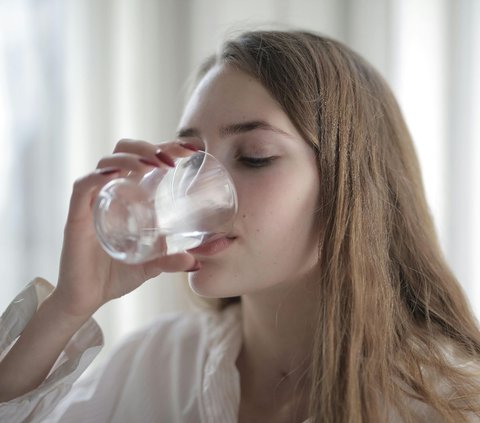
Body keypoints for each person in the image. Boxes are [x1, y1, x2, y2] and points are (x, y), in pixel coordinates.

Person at [0, 29, 479, 423]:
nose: (193, 192)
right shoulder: (156, 366)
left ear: (351, 187)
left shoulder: (444, 404)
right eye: (190, 161)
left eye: (254, 158)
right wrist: (67, 308)